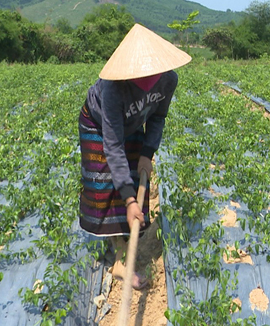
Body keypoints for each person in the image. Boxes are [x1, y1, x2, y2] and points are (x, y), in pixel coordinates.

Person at [78, 23, 191, 289]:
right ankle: (120, 258)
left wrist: (148, 153)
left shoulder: (168, 80)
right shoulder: (112, 89)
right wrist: (129, 199)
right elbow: (113, 145)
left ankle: (124, 249)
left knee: (135, 174)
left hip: (134, 123)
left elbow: (158, 117)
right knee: (106, 183)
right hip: (97, 124)